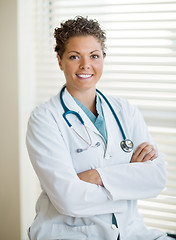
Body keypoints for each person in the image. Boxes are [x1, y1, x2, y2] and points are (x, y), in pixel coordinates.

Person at [26, 16, 174, 240]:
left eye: (94, 56)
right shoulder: (45, 119)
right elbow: (69, 200)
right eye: (75, 56)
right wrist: (130, 179)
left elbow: (156, 179)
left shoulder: (125, 110)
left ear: (103, 58)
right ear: (59, 60)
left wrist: (94, 176)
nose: (86, 65)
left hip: (131, 232)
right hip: (70, 234)